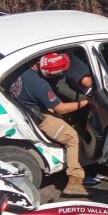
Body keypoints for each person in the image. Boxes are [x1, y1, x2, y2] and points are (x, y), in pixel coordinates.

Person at [10, 53, 90, 197]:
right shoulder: (41, 86)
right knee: (72, 138)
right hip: (40, 118)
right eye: (60, 73)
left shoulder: (23, 69)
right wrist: (86, 102)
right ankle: (75, 180)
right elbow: (61, 108)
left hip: (25, 108)